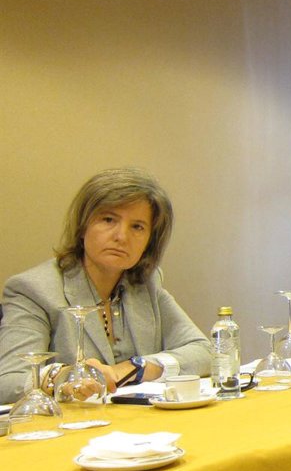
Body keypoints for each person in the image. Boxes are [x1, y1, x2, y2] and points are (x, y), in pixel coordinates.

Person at [0, 168, 211, 403]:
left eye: (137, 227)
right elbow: (8, 381)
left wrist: (136, 367)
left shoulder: (146, 283)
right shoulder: (33, 289)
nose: (121, 236)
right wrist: (62, 377)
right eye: (108, 220)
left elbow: (204, 352)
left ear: (149, 241)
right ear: (83, 227)